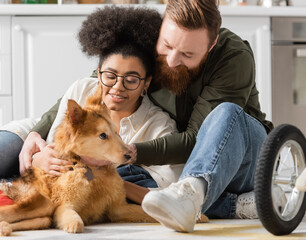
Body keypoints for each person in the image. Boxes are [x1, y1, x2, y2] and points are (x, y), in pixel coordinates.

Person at [1, 0, 274, 233]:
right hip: (171, 158)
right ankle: (200, 202)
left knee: (222, 114)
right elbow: (98, 82)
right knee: (14, 147)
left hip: (240, 153)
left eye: (188, 54)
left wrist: (121, 152)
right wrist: (35, 137)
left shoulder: (232, 56)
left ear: (211, 44)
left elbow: (197, 139)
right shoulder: (152, 41)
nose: (170, 60)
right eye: (167, 46)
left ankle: (206, 201)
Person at [0, 6, 181, 194]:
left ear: (146, 83)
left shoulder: (158, 125)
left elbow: (169, 191)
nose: (118, 87)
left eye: (131, 80)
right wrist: (38, 157)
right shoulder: (82, 88)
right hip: (26, 133)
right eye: (110, 75)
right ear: (99, 71)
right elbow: (55, 145)